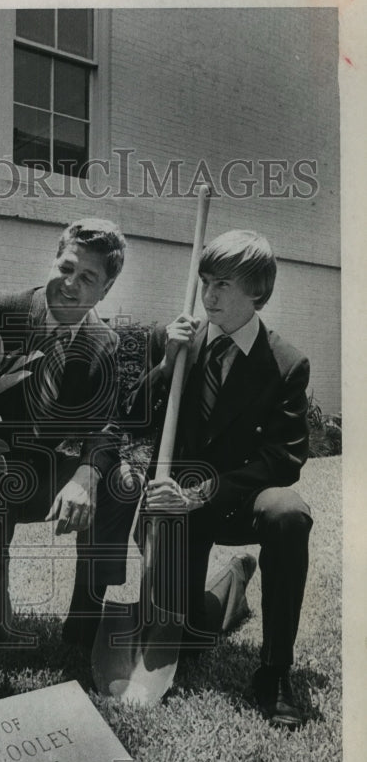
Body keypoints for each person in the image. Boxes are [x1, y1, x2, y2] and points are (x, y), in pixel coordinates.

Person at [0, 219, 140, 664]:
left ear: (106, 290)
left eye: (87, 277)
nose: (70, 284)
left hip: (36, 475)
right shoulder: (0, 310)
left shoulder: (104, 343)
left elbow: (107, 426)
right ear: (55, 259)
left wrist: (88, 476)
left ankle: (84, 622)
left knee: (122, 482)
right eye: (66, 267)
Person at [127, 229, 312, 727]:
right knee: (191, 637)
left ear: (258, 291)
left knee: (288, 512)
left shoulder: (287, 362)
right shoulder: (180, 344)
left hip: (238, 501)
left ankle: (273, 671)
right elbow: (134, 420)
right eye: (205, 281)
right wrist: (166, 363)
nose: (208, 295)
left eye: (223, 285)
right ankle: (234, 577)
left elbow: (284, 457)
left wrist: (202, 493)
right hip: (176, 512)